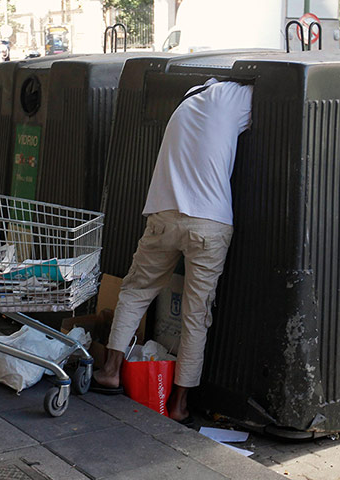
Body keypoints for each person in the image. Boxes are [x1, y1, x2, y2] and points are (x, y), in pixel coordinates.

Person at [91, 78, 253, 424]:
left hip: (164, 215)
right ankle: (179, 404)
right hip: (210, 223)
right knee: (196, 315)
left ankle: (110, 370)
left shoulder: (183, 107)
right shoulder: (238, 95)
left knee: (135, 291)